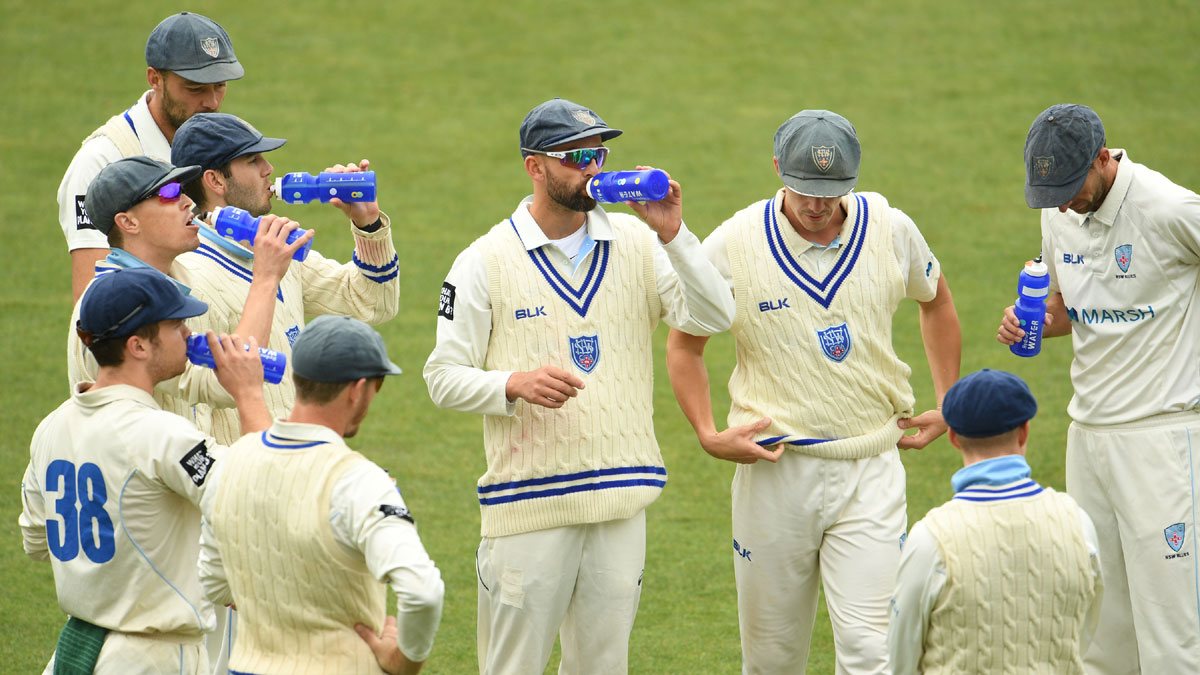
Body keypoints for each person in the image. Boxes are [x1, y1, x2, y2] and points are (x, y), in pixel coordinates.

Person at [423, 97, 735, 674]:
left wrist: (675, 236)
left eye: (598, 155)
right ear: (534, 167)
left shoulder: (641, 243)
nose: (591, 168)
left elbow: (715, 316)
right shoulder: (483, 261)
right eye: (574, 158)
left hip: (621, 500)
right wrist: (512, 383)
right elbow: (441, 378)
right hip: (528, 509)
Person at [666, 110, 961, 674]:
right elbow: (685, 344)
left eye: (831, 190)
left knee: (874, 653)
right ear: (778, 167)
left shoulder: (891, 228)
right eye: (804, 189)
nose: (817, 205)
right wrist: (706, 432)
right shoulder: (734, 243)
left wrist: (948, 400)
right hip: (775, 472)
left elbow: (937, 301)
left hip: (871, 469)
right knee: (772, 659)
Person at [996, 103, 1200, 674]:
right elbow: (1070, 305)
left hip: (1161, 439)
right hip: (1087, 434)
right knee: (1100, 624)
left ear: (1102, 159)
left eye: (1068, 188)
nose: (1061, 204)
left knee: (1172, 627)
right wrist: (1034, 321)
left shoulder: (1169, 209)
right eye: (1049, 194)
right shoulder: (1058, 209)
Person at [19, 267, 270, 674]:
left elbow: (36, 540)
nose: (188, 333)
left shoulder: (50, 427)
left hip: (78, 649)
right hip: (152, 658)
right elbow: (259, 485)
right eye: (175, 325)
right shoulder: (161, 434)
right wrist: (249, 393)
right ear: (137, 345)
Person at [199, 315, 443, 674]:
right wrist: (403, 660)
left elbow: (213, 580)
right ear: (358, 389)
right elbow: (423, 591)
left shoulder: (229, 464)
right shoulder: (360, 480)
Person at [170, 111, 400, 444]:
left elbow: (373, 304)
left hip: (293, 460)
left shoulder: (271, 246)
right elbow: (196, 405)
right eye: (252, 160)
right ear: (216, 180)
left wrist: (368, 223)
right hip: (245, 469)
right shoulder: (191, 276)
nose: (269, 169)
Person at [888, 368, 1103, 674]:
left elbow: (900, 655)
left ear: (954, 438)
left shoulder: (931, 537)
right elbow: (1087, 630)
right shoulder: (1078, 522)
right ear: (1024, 431)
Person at [66, 155, 303, 427]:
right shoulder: (121, 306)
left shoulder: (170, 285)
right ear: (128, 222)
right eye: (170, 193)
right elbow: (228, 382)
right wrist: (266, 278)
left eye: (183, 189)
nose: (188, 201)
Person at [58, 12, 243, 303]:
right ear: (155, 79)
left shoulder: (219, 143)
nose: (212, 102)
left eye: (220, 85)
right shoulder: (101, 161)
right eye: (195, 89)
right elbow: (94, 301)